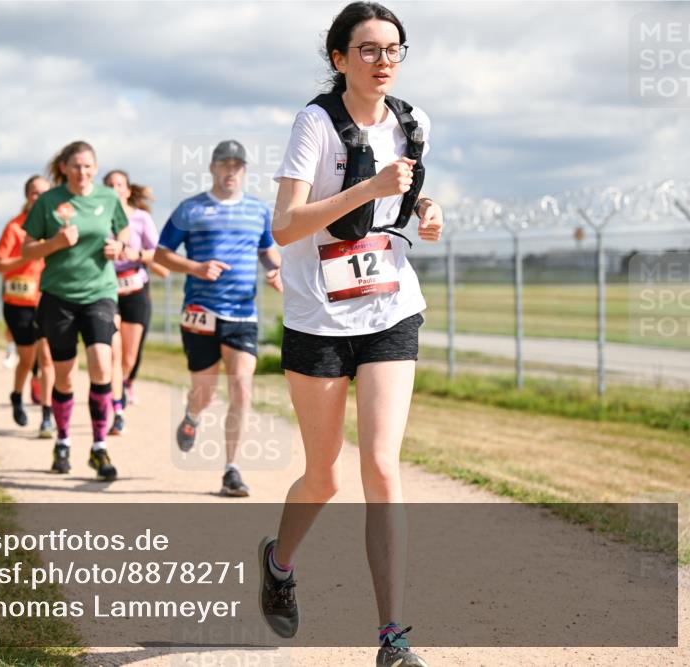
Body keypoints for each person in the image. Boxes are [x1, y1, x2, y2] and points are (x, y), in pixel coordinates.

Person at [258, 4, 443, 667]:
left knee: (382, 466)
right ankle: (278, 564)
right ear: (339, 59)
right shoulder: (315, 123)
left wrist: (424, 207)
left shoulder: (414, 121)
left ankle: (393, 637)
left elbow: (404, 192)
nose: (383, 60)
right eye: (367, 49)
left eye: (394, 48)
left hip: (391, 309)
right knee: (324, 474)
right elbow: (284, 225)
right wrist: (364, 185)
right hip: (318, 320)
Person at [155, 139, 283, 497]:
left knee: (241, 387)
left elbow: (268, 252)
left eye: (238, 165)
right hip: (200, 312)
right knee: (205, 392)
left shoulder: (258, 210)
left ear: (244, 171)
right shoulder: (190, 209)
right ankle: (193, 415)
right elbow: (161, 254)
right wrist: (195, 267)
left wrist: (276, 272)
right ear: (212, 168)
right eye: (224, 164)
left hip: (243, 313)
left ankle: (231, 469)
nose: (231, 171)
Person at [21, 140, 131, 481]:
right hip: (59, 296)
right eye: (76, 166)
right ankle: (63, 441)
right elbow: (27, 251)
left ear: (95, 168)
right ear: (64, 168)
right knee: (65, 374)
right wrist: (54, 243)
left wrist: (120, 245)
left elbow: (123, 228)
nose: (82, 172)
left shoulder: (108, 198)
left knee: (101, 363)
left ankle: (99, 448)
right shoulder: (48, 202)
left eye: (88, 166)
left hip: (99, 292)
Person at [102, 170, 169, 434]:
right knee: (114, 353)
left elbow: (159, 253)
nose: (114, 188)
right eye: (108, 185)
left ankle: (126, 383)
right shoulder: (99, 217)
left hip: (135, 288)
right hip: (106, 289)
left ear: (128, 190)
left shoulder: (141, 218)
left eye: (119, 184)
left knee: (129, 357)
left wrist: (136, 253)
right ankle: (117, 410)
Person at [0, 175, 56, 437]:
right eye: (33, 193)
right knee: (27, 357)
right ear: (26, 196)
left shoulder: (57, 227)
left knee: (48, 357)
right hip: (18, 301)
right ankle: (17, 395)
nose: (38, 198)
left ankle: (46, 414)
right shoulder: (15, 227)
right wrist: (28, 254)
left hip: (49, 298)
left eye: (43, 193)